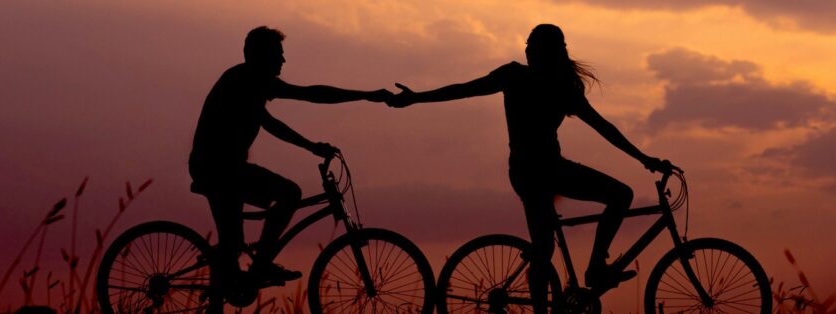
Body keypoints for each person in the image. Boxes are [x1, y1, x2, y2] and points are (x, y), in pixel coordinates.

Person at [387, 24, 671, 311]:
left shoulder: (559, 86)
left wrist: (643, 158)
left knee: (585, 219)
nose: (527, 49)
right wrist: (417, 98)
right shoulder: (520, 77)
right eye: (528, 44)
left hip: (544, 170)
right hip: (534, 172)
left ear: (548, 51)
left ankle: (594, 267)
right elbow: (464, 90)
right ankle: (594, 269)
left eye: (533, 45)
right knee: (564, 234)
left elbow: (603, 127)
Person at [189, 26, 391, 293]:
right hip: (218, 170)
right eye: (277, 54)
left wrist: (311, 146)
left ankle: (234, 272)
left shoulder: (247, 82)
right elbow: (310, 95)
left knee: (233, 245)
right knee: (289, 193)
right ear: (260, 55)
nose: (283, 61)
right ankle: (260, 265)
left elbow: (271, 121)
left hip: (223, 169)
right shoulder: (247, 79)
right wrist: (366, 95)